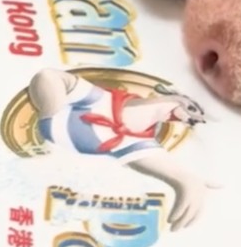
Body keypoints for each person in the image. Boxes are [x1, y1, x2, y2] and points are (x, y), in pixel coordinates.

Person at [27, 68, 218, 231]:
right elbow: (47, 76)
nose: (185, 117)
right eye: (189, 109)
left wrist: (188, 182)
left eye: (190, 120)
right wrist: (52, 112)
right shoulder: (100, 99)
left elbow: (174, 172)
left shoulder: (134, 142)